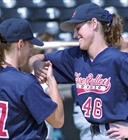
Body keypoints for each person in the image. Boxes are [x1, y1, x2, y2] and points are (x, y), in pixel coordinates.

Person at [29, 2, 128, 140]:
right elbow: (36, 56)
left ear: (94, 23)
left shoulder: (120, 60)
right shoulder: (76, 56)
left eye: (78, 28)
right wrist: (37, 64)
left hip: (116, 133)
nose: (75, 35)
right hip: (91, 133)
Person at [0, 17, 64, 140]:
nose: (31, 50)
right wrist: (52, 82)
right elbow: (58, 120)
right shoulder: (24, 82)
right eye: (30, 45)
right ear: (20, 44)